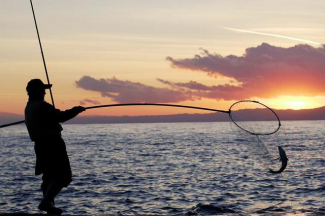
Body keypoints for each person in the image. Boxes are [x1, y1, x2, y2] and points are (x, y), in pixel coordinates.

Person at [24, 79, 85, 214]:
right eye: (43, 90)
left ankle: (49, 206)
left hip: (40, 146)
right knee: (63, 176)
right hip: (53, 144)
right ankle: (47, 201)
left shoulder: (29, 107)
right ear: (38, 91)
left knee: (48, 177)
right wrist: (76, 110)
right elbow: (61, 117)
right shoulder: (43, 106)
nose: (45, 92)